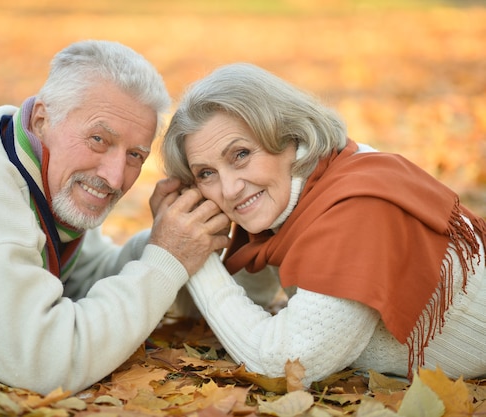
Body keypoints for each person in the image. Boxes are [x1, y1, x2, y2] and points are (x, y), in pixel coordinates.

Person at [0, 40, 230, 395]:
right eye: (99, 139)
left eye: (135, 155)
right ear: (41, 119)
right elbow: (46, 364)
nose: (115, 177)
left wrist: (164, 240)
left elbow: (83, 276)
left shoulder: (20, 150)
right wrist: (166, 259)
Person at [162, 62, 486, 387]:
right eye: (206, 173)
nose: (230, 188)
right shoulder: (284, 199)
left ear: (290, 136)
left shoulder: (353, 209)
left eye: (241, 154)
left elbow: (286, 366)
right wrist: (181, 237)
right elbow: (225, 307)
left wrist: (197, 255)